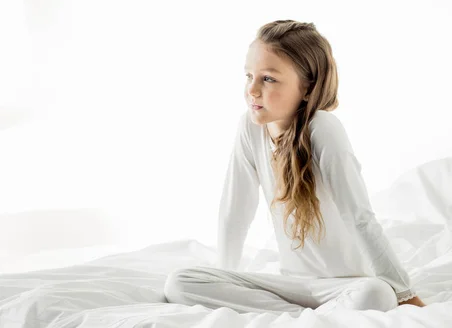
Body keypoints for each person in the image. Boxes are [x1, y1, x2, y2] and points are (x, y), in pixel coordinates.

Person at [163, 20, 426, 316]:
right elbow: (235, 211)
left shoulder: (323, 128)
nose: (252, 89)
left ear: (307, 86)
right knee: (180, 282)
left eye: (269, 79)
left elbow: (360, 217)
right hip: (292, 286)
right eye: (249, 75)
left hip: (345, 287)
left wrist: (404, 292)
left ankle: (296, 315)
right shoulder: (249, 128)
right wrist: (226, 280)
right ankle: (299, 316)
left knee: (376, 294)